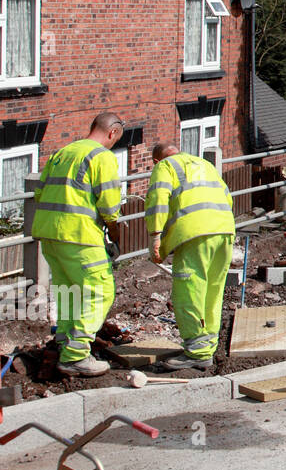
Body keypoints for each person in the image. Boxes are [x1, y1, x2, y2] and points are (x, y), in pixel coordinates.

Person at [31, 112, 125, 376]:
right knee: (99, 291)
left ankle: (64, 341)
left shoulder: (60, 153)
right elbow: (109, 205)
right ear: (112, 133)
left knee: (68, 289)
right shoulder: (101, 157)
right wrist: (115, 235)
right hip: (80, 237)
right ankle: (75, 355)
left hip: (50, 235)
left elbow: (39, 193)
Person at [145, 143, 235, 371]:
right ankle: (207, 345)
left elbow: (158, 200)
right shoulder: (205, 164)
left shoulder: (164, 167)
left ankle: (196, 351)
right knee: (212, 290)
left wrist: (156, 237)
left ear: (157, 160)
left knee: (189, 290)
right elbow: (228, 197)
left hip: (195, 234)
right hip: (224, 229)